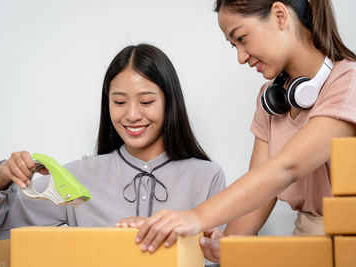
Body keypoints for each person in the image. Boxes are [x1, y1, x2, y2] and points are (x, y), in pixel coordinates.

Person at [132, 0, 356, 263]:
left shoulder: (348, 83)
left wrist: (195, 216)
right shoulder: (271, 99)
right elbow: (262, 191)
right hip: (304, 245)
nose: (241, 57)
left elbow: (287, 168)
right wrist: (226, 245)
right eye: (233, 45)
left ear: (280, 16)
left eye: (242, 38)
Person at [0, 44, 225, 243]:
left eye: (146, 102)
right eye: (119, 102)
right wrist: (1, 177)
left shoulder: (206, 178)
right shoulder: (78, 178)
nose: (133, 114)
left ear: (170, 103)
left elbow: (216, 256)